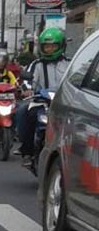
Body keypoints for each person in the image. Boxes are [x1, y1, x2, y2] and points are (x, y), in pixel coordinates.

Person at [17, 28, 69, 167]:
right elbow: (28, 80)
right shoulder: (36, 64)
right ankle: (26, 151)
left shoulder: (69, 64)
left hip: (64, 104)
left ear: (61, 46)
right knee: (23, 111)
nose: (49, 49)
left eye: (53, 46)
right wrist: (27, 89)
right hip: (41, 103)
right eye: (46, 46)